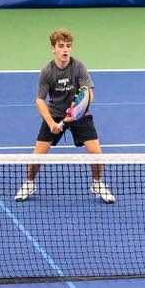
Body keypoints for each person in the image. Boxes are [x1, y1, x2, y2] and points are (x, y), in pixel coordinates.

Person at [14, 28, 113, 203]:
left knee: (96, 153)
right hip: (55, 114)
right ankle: (29, 183)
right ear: (53, 49)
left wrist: (77, 110)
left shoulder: (78, 66)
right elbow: (40, 100)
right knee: (37, 156)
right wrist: (51, 123)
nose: (65, 49)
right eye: (61, 46)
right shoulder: (47, 72)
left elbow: (89, 94)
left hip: (79, 115)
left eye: (68, 46)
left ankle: (97, 183)